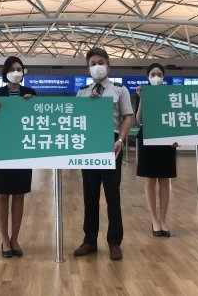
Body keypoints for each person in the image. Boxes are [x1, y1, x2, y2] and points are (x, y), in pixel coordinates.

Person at [73, 47, 133, 261]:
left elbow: (127, 117)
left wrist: (120, 141)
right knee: (89, 195)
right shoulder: (82, 92)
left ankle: (114, 242)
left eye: (100, 62)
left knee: (112, 195)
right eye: (92, 64)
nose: (97, 66)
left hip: (111, 144)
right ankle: (89, 240)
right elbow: (75, 120)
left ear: (108, 66)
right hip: (89, 145)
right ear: (87, 69)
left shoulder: (119, 90)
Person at [0, 57, 36, 258]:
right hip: (2, 147)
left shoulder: (30, 93)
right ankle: (4, 240)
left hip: (23, 147)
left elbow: (36, 120)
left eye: (19, 69)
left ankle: (15, 239)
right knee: (2, 194)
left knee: (19, 194)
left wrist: (32, 104)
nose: (16, 72)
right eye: (12, 69)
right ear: (5, 72)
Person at [135, 63, 179, 237]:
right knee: (150, 179)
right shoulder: (142, 93)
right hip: (148, 139)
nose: (156, 77)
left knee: (165, 180)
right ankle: (154, 219)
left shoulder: (170, 94)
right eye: (153, 74)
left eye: (159, 74)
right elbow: (140, 120)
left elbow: (176, 117)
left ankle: (163, 220)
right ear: (147, 77)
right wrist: (142, 98)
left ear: (163, 77)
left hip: (166, 140)